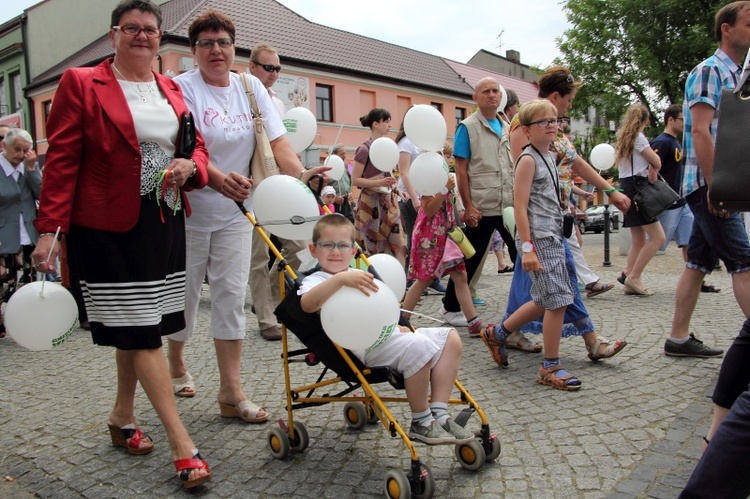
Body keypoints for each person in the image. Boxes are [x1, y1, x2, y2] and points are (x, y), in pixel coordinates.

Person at [31, 0, 211, 488]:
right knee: (144, 333)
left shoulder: (170, 85)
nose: (141, 36)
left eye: (150, 29)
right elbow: (63, 157)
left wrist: (190, 165)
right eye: (130, 28)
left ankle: (121, 418)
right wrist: (50, 230)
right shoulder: (81, 83)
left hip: (164, 222)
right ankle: (181, 442)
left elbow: (195, 144)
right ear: (113, 36)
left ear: (160, 38)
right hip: (109, 228)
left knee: (141, 327)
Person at [167, 10, 325, 422]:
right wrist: (218, 179)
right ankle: (177, 360)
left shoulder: (249, 86)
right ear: (193, 50)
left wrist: (301, 179)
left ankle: (230, 391)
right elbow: (184, 149)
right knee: (183, 299)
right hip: (190, 210)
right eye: (206, 43)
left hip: (239, 211)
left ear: (234, 48)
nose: (216, 50)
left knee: (230, 298)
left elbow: (278, 143)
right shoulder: (180, 88)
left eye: (223, 42)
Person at [299, 214, 474, 445]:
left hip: (389, 336)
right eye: (327, 245)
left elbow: (381, 306)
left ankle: (439, 414)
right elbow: (307, 304)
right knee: (419, 346)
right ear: (313, 250)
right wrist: (340, 280)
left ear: (353, 251)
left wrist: (395, 325)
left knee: (451, 338)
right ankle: (421, 421)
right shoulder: (316, 280)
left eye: (343, 245)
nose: (335, 252)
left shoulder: (360, 275)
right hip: (365, 347)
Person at [504, 66, 630, 362]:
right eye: (570, 100)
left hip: (554, 220)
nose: (570, 107)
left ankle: (504, 331)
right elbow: (524, 183)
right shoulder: (528, 125)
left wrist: (608, 190)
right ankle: (587, 342)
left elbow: (577, 164)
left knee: (540, 288)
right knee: (562, 284)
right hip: (539, 225)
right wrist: (527, 241)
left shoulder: (553, 128)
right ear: (557, 95)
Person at [671, 1, 750, 470]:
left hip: (724, 184)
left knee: (697, 263)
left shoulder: (742, 72)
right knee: (744, 262)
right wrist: (720, 185)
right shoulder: (708, 71)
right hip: (712, 186)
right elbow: (700, 132)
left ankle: (677, 336)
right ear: (728, 29)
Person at [482, 99, 579, 389]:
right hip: (538, 238)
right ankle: (550, 367)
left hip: (553, 235)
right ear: (526, 130)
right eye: (543, 122)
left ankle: (498, 333)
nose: (552, 126)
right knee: (559, 300)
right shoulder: (527, 159)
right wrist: (527, 248)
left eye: (554, 120)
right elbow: (520, 207)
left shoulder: (548, 156)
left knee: (546, 299)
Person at [441, 77, 516, 327]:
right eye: (486, 91)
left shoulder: (506, 126)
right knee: (470, 258)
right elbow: (461, 170)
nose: (491, 95)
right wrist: (468, 206)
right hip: (482, 205)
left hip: (507, 203)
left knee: (520, 251)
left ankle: (530, 301)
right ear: (475, 97)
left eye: (495, 91)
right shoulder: (468, 127)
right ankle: (451, 308)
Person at [248, 42, 309, 341]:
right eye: (268, 67)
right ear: (253, 67)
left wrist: (299, 176)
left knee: (299, 244)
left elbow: (281, 145)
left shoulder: (279, 103)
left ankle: (272, 297)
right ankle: (264, 316)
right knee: (258, 255)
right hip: (251, 184)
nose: (274, 73)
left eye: (277, 68)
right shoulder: (241, 95)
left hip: (279, 183)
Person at [402, 171, 484, 337]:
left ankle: (473, 322)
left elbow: (450, 207)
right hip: (430, 237)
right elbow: (429, 210)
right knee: (424, 280)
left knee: (460, 276)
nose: (448, 160)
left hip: (447, 236)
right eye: (444, 157)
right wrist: (444, 190)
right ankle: (402, 319)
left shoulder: (446, 178)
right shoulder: (428, 179)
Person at [651, 104, 720, 293]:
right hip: (668, 201)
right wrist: (658, 194)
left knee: (689, 240)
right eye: (682, 119)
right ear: (671, 120)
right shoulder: (662, 142)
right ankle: (631, 273)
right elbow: (652, 170)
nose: (685, 123)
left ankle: (698, 281)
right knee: (654, 241)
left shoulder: (677, 142)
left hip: (681, 200)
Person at [615, 104, 665, 296]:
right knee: (658, 237)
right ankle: (634, 277)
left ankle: (630, 278)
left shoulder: (624, 139)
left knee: (638, 240)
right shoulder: (639, 138)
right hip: (639, 188)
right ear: (645, 121)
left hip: (627, 187)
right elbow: (657, 161)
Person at [396, 115, 446, 295]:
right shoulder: (406, 143)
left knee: (431, 240)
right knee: (415, 238)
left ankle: (431, 278)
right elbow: (404, 173)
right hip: (412, 197)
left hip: (428, 193)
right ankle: (412, 278)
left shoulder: (425, 143)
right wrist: (415, 198)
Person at [0, 128, 41, 339]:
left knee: (28, 283)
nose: (21, 155)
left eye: (26, 150)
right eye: (17, 149)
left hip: (27, 235)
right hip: (4, 236)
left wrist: (33, 167)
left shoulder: (28, 168)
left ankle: (25, 323)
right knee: (4, 283)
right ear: (4, 146)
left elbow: (41, 192)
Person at [352, 108, 407, 265]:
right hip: (370, 202)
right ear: (375, 124)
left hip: (389, 201)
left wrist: (398, 190)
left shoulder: (388, 147)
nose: (390, 125)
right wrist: (379, 183)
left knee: (399, 244)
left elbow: (387, 176)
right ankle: (373, 284)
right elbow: (355, 180)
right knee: (369, 247)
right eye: (386, 121)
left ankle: (400, 286)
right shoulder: (364, 149)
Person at [328, 144, 355, 222]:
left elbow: (352, 180)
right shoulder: (327, 168)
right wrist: (334, 198)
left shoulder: (347, 166)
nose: (345, 156)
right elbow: (323, 188)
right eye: (342, 154)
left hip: (347, 203)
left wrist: (350, 192)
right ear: (334, 155)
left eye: (345, 153)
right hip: (334, 204)